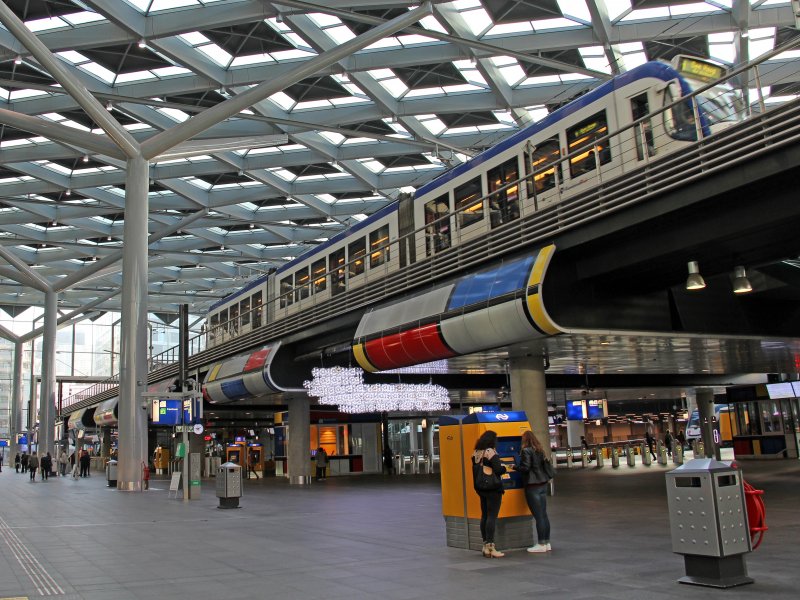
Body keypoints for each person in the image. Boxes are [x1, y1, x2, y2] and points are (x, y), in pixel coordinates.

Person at [472, 430, 507, 558]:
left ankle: (485, 545)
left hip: (481, 488)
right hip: (493, 488)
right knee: (492, 516)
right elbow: (498, 469)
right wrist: (505, 468)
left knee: (485, 516)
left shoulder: (476, 452)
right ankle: (491, 547)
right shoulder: (490, 452)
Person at [516, 430, 552, 553]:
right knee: (543, 514)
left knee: (538, 516)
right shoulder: (539, 450)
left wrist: (514, 467)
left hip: (532, 485)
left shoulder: (526, 451)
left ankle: (541, 544)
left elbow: (525, 467)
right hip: (542, 483)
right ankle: (546, 542)